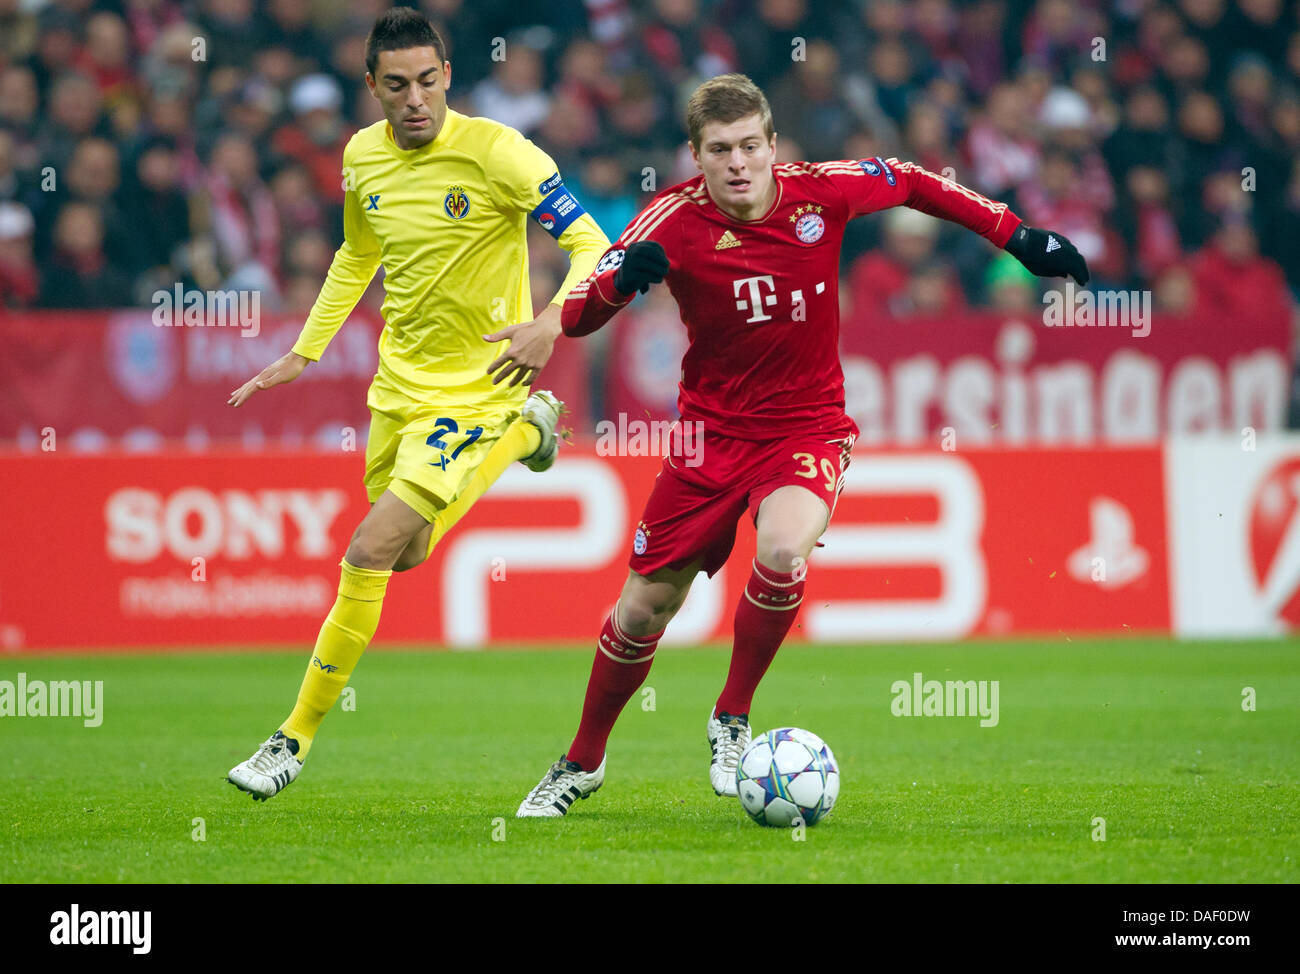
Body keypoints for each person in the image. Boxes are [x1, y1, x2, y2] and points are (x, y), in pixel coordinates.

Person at [517, 73, 1087, 816]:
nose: (738, 162)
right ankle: (581, 761)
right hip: (708, 437)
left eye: (751, 144)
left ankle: (731, 718)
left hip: (805, 426)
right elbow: (583, 316)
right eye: (720, 149)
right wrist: (622, 282)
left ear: (772, 145)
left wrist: (1017, 235)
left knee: (783, 552)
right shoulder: (668, 221)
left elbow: (914, 180)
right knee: (641, 612)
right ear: (697, 155)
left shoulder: (822, 191)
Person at [225, 7, 610, 800]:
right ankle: (530, 435)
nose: (414, 101)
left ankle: (290, 740)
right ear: (371, 87)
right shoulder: (362, 156)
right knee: (408, 552)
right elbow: (356, 254)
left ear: (448, 78)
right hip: (399, 387)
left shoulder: (500, 152)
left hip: (479, 387)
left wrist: (549, 323)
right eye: (395, 85)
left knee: (367, 548)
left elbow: (592, 247)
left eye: (428, 82)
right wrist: (304, 350)